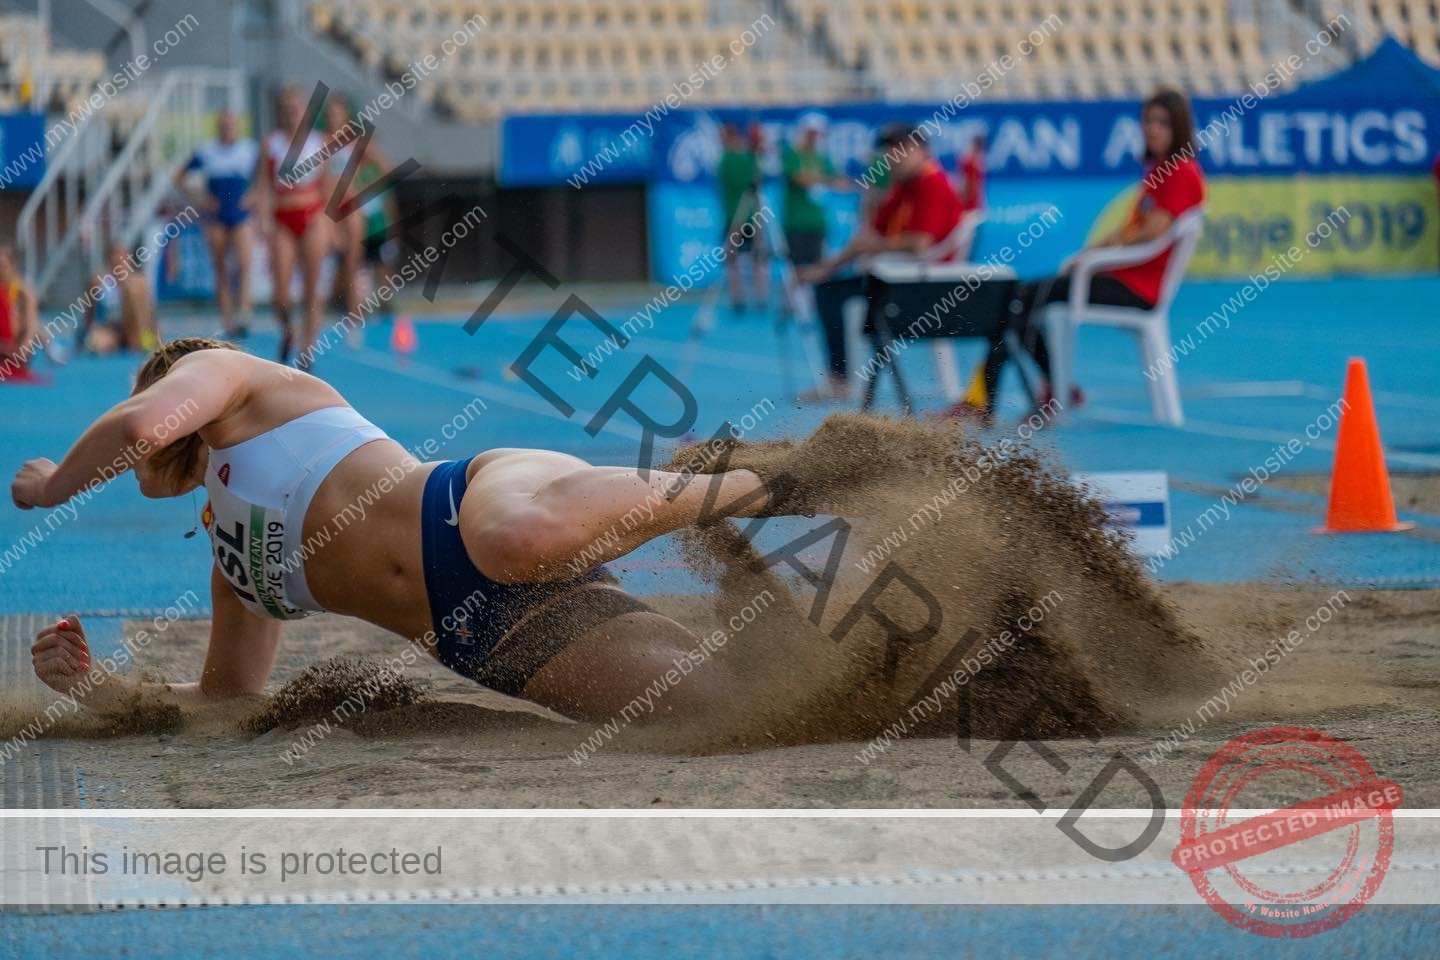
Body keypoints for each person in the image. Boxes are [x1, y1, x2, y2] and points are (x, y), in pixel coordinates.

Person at [12, 339, 814, 723]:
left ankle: (763, 480)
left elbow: (146, 424)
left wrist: (52, 487)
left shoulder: (238, 378)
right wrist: (92, 687)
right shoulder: (233, 558)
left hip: (472, 508)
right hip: (485, 634)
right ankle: (893, 674)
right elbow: (228, 696)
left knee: (516, 539)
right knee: (734, 712)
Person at [947, 89, 1206, 422]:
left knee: (1022, 297)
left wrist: (1095, 255)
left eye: (1162, 123)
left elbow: (1151, 233)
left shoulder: (1181, 172)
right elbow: (1138, 233)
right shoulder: (1162, 171)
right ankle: (1047, 389)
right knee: (1021, 298)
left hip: (1136, 287)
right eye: (1147, 121)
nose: (1152, 129)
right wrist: (1094, 253)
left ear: (1179, 127)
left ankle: (992, 400)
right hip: (1120, 277)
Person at [796, 123, 963, 401]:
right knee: (828, 286)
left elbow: (920, 242)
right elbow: (871, 232)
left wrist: (872, 247)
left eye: (901, 149)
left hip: (919, 284)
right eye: (889, 150)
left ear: (922, 150)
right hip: (896, 275)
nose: (893, 157)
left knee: (829, 294)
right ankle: (841, 376)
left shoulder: (930, 183)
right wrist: (828, 267)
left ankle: (840, 379)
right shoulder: (903, 187)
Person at [252, 87, 334, 366]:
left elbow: (328, 186)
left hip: (312, 215)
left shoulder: (319, 143)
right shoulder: (271, 144)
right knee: (282, 294)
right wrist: (262, 218)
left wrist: (331, 222)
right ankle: (289, 329)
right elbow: (263, 185)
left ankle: (307, 348)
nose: (293, 115)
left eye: (297, 109)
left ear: (306, 113)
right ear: (281, 114)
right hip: (283, 219)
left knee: (312, 287)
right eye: (288, 109)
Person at [175, 109, 258, 340]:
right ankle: (227, 319)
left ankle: (244, 312)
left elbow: (266, 177)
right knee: (220, 268)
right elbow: (179, 176)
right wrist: (199, 199)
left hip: (241, 215)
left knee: (243, 263)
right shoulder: (207, 151)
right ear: (218, 127)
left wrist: (255, 196)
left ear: (237, 127)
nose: (227, 130)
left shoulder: (249, 150)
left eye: (230, 125)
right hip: (216, 218)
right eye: (223, 125)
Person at [717, 122, 768, 312]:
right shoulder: (749, 158)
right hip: (751, 216)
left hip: (736, 216)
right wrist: (755, 149)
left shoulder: (725, 160)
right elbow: (757, 179)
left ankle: (738, 298)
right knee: (758, 258)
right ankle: (760, 297)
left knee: (735, 259)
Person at [323, 95, 364, 330]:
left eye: (337, 114)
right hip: (329, 207)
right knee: (331, 259)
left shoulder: (355, 143)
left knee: (353, 260)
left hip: (350, 204)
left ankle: (353, 311)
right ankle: (331, 303)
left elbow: (378, 165)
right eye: (331, 114)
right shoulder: (322, 143)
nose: (334, 118)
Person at [781, 114, 840, 269]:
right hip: (796, 222)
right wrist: (823, 179)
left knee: (817, 266)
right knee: (795, 267)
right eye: (811, 133)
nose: (814, 137)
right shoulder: (792, 155)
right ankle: (795, 293)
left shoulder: (822, 157)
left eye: (817, 133)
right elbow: (798, 178)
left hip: (817, 222)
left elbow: (836, 180)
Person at [78, 245, 159, 355]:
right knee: (97, 344)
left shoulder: (138, 283)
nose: (121, 267)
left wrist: (154, 334)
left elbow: (149, 314)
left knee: (134, 290)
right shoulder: (99, 283)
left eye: (124, 263)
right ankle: (114, 342)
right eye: (116, 263)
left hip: (133, 329)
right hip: (110, 329)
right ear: (110, 264)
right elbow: (89, 312)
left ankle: (144, 341)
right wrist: (83, 334)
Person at [0, 246, 40, 379]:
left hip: (15, 350)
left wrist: (21, 353)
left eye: (3, 266)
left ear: (13, 267)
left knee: (39, 329)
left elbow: (31, 327)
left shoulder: (24, 293)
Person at [956, 134, 986, 217]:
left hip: (973, 207)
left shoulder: (973, 160)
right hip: (971, 207)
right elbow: (966, 185)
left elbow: (969, 186)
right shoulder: (972, 161)